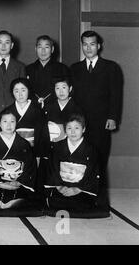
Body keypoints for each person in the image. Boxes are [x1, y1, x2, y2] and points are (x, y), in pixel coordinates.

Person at [70, 31, 122, 199]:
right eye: (85, 44)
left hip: (101, 122)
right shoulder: (75, 68)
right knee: (79, 159)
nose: (88, 48)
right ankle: (80, 197)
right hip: (80, 124)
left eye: (92, 44)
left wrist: (113, 117)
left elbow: (116, 94)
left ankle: (99, 200)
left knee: (99, 159)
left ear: (99, 46)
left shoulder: (111, 67)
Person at [44, 114, 100, 211]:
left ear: (83, 129)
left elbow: (92, 173)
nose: (73, 132)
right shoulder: (57, 146)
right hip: (61, 187)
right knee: (55, 201)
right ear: (65, 130)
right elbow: (53, 169)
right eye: (69, 128)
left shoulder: (91, 149)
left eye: (77, 128)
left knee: (83, 204)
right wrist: (60, 187)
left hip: (81, 189)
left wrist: (77, 189)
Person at [0, 108, 36, 209]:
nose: (9, 125)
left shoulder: (24, 144)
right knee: (0, 195)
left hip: (18, 183)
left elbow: (30, 166)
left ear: (16, 123)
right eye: (5, 121)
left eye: (12, 121)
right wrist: (0, 183)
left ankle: (7, 202)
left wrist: (20, 181)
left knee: (20, 196)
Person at [5, 78, 50, 197]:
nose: (20, 94)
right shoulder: (8, 111)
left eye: (23, 90)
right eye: (16, 91)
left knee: (32, 182)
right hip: (14, 152)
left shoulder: (37, 110)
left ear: (28, 91)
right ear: (12, 93)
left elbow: (42, 135)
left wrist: (39, 155)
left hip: (33, 151)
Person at [26, 35, 70, 108]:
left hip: (56, 108)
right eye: (40, 47)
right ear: (35, 49)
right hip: (33, 108)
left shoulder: (62, 69)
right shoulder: (28, 69)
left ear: (52, 49)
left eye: (46, 47)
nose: (43, 51)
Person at [44, 77, 83, 143]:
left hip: (70, 142)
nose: (61, 91)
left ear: (70, 89)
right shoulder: (48, 107)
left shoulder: (77, 108)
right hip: (51, 143)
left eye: (64, 87)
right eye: (57, 88)